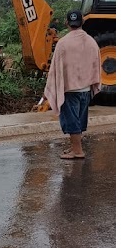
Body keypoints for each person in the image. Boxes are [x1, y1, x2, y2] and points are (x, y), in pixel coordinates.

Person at [43, 9, 101, 159]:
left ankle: (78, 151)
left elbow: (55, 68)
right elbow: (96, 64)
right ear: (82, 22)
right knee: (79, 120)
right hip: (86, 89)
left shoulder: (63, 43)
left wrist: (51, 88)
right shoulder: (92, 42)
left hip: (70, 89)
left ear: (67, 23)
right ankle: (74, 148)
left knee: (72, 121)